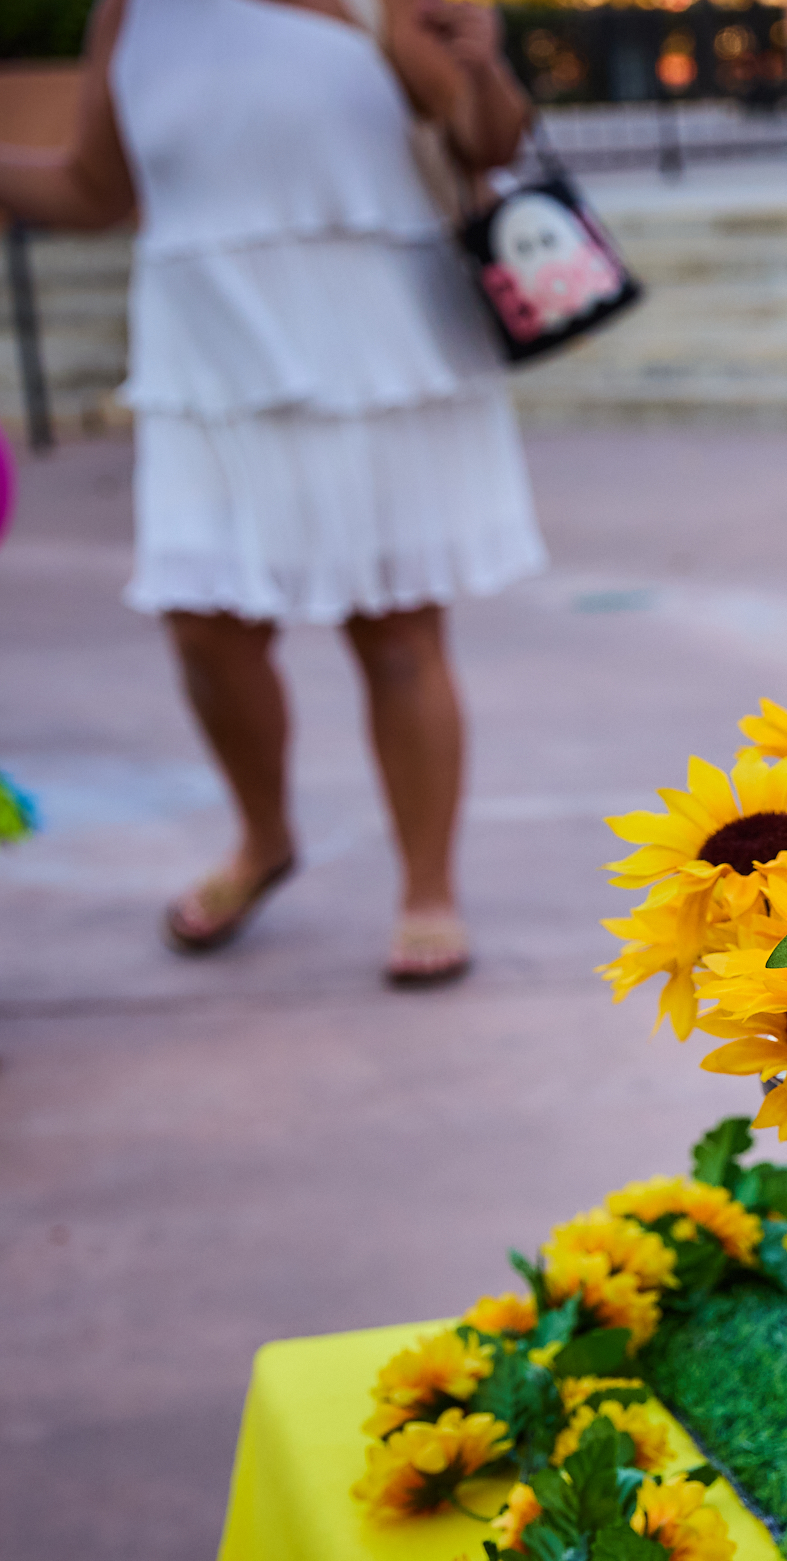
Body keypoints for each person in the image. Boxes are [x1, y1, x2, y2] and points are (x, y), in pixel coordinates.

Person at [0, 0, 544, 986]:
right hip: (204, 357)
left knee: (395, 630)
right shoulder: (131, 13)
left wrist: (484, 67)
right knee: (203, 626)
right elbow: (92, 187)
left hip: (375, 346)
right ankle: (264, 838)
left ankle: (428, 887)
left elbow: (489, 142)